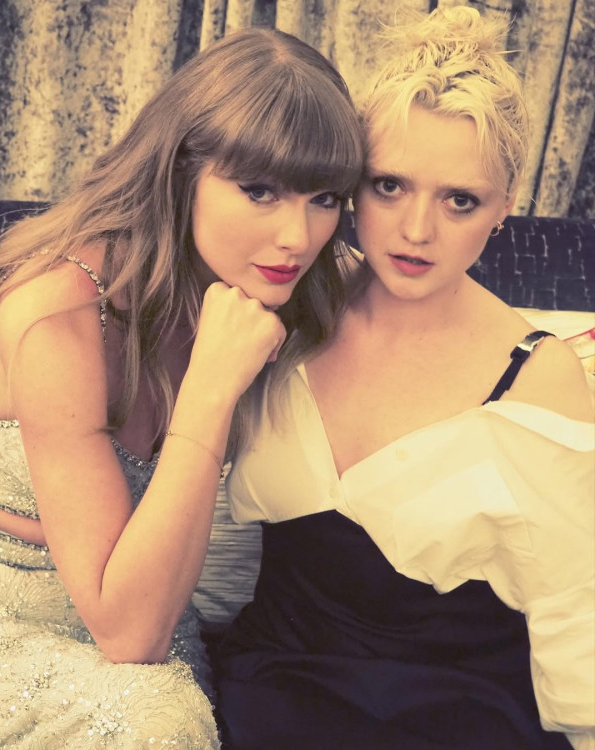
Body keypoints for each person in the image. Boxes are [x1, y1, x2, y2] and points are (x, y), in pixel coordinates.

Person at [215, 7, 595, 750]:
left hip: (457, 715)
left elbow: (575, 609)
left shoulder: (536, 375)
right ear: (352, 184)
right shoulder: (292, 296)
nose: (417, 230)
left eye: (460, 200)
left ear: (505, 207)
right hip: (269, 690)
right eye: (389, 185)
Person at [0, 27, 363, 748]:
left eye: (324, 198)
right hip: (20, 621)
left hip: (153, 610)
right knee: (154, 722)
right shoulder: (59, 316)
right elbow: (128, 633)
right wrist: (211, 389)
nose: (297, 236)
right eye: (258, 191)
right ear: (181, 172)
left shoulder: (278, 283)